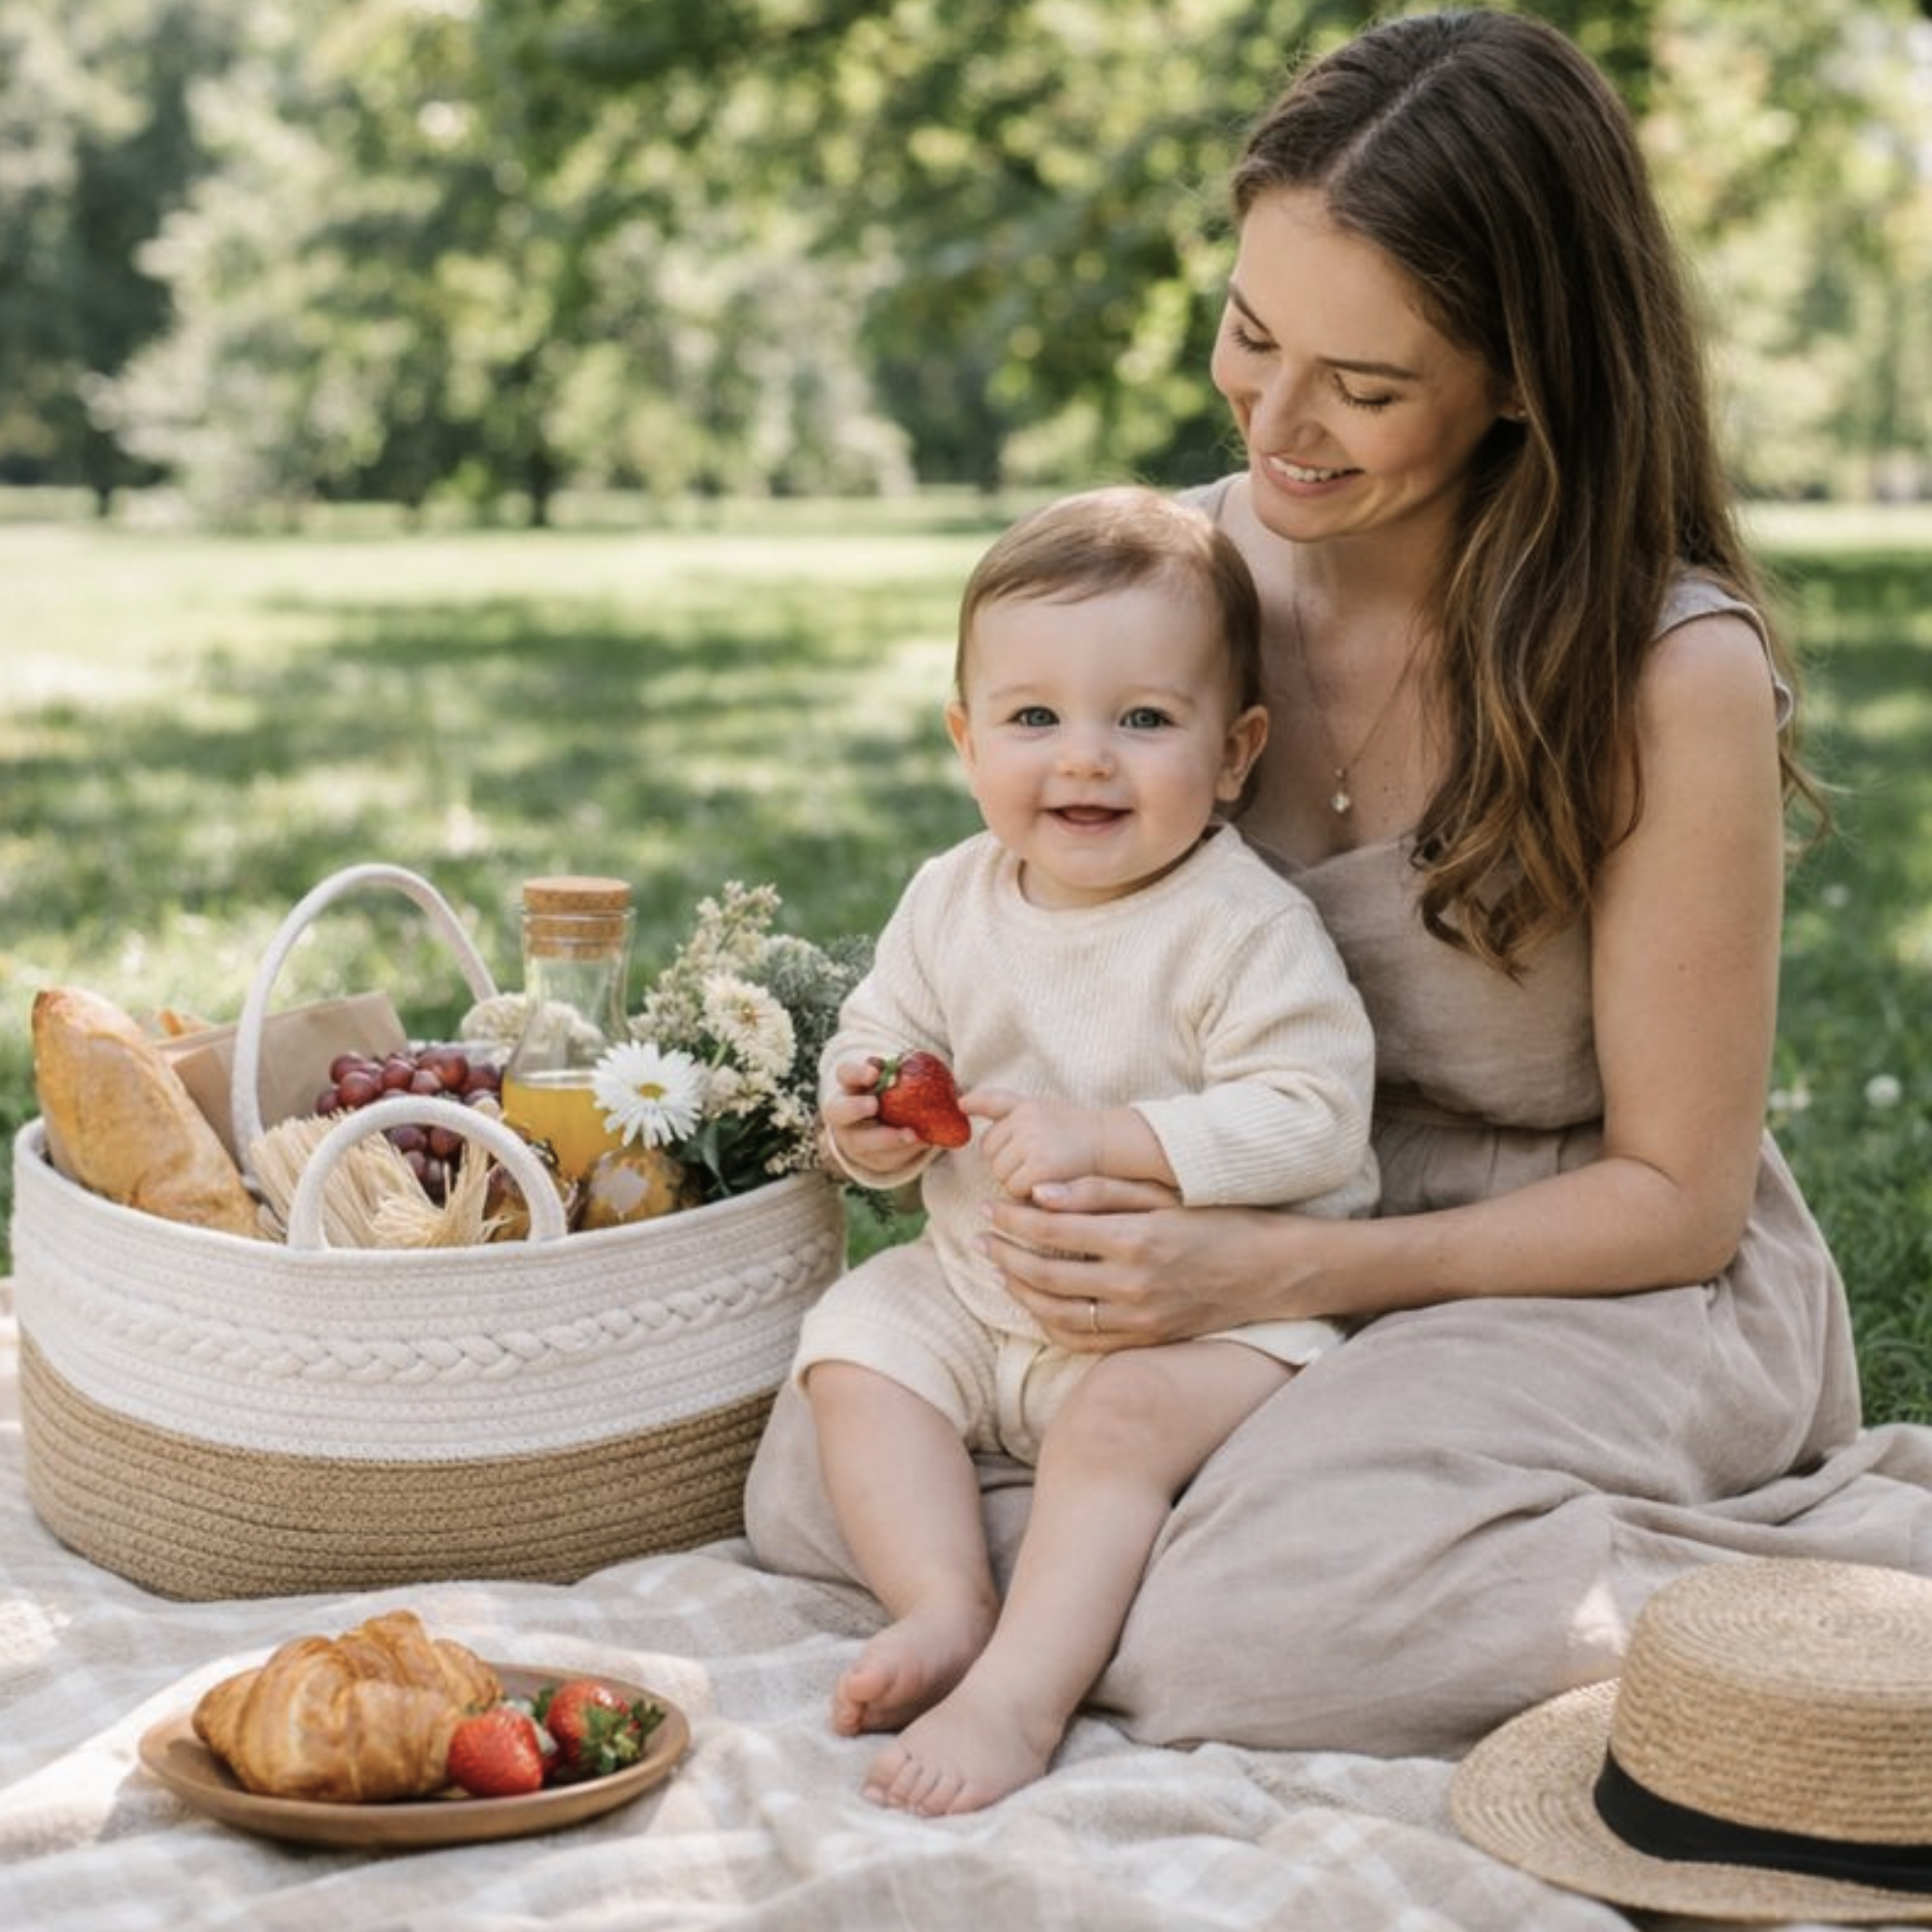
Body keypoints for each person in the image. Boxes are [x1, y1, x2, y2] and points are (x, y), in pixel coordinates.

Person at [748, 8, 1932, 1764]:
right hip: (1222, 1247)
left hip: (1569, 1268)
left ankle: (1789, 1617)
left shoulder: (1663, 672)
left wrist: (1270, 1272)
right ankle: (1169, 1561)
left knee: (1266, 1641)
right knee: (813, 1477)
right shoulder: (1174, 598)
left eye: (1364, 387)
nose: (1277, 424)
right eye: (1249, 334)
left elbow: (1674, 1202)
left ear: (1526, 377)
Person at [793, 484, 1378, 1814]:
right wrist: (867, 1119)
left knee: (1115, 1426)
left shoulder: (1238, 925)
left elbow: (1314, 1113)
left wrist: (1123, 1139)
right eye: (1034, 718)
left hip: (1199, 1317)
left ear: (1235, 753)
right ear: (967, 737)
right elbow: (883, 1037)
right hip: (981, 1282)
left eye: (1144, 720)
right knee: (852, 1342)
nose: (1084, 759)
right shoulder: (950, 897)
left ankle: (1018, 1695)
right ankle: (944, 1603)